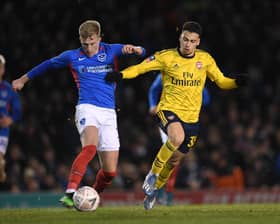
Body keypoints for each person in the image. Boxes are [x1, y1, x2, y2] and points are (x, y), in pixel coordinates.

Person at [105, 21, 248, 210]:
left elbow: (221, 82)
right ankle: (152, 175)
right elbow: (140, 68)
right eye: (185, 39)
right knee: (176, 137)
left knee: (174, 160)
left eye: (192, 41)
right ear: (180, 38)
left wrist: (236, 82)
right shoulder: (166, 57)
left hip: (192, 120)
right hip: (168, 110)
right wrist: (121, 75)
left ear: (198, 42)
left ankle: (155, 189)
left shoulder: (205, 59)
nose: (188, 44)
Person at [12, 20, 146, 207]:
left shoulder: (112, 50)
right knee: (89, 148)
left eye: (93, 43)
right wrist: (23, 79)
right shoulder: (72, 56)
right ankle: (70, 192)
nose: (89, 48)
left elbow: (143, 51)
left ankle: (91, 197)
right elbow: (47, 65)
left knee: (110, 173)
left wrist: (138, 50)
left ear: (100, 37)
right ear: (80, 40)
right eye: (85, 44)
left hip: (108, 113)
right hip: (87, 108)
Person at [148, 73, 210, 205]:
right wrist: (152, 105)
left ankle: (167, 192)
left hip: (188, 120)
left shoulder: (195, 78)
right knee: (170, 150)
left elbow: (206, 99)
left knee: (176, 158)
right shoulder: (167, 73)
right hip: (170, 118)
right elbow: (154, 89)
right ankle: (160, 191)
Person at [0, 54, 21, 183]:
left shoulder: (8, 89)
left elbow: (17, 111)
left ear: (2, 70)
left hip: (2, 131)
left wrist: (10, 119)